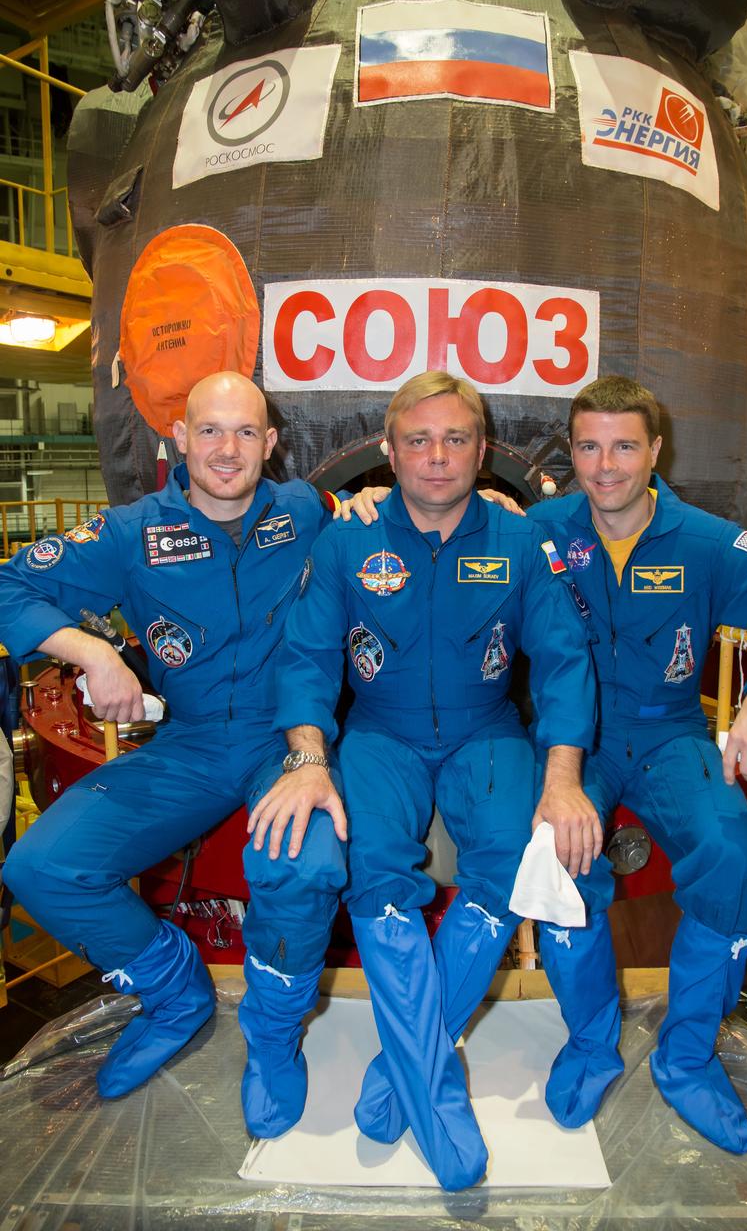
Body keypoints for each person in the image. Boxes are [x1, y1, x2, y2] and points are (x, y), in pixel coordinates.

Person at [0, 371, 381, 1138]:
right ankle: (175, 990)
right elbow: (10, 583)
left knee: (305, 867)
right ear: (179, 437)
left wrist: (480, 503)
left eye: (245, 432)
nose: (227, 449)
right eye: (209, 430)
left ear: (270, 444)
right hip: (194, 741)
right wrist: (89, 652)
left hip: (289, 739)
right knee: (40, 868)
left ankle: (274, 1038)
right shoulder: (129, 533)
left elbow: (395, 512)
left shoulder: (305, 509)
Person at [248, 370, 596, 1190]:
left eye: (455, 440)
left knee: (511, 855)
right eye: (418, 440)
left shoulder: (519, 542)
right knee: (370, 870)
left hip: (485, 731)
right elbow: (303, 657)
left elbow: (562, 661)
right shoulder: (345, 539)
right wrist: (306, 757)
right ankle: (435, 1091)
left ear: (482, 450)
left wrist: (564, 776)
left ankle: (405, 1061)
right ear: (388, 449)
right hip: (379, 734)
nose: (436, 458)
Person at [526, 374, 747, 1155]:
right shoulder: (535, 532)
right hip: (572, 743)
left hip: (669, 735)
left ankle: (685, 1056)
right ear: (570, 451)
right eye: (590, 446)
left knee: (732, 855)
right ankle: (592, 1042)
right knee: (553, 861)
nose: (606, 466)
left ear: (655, 450)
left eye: (625, 446)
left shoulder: (707, 542)